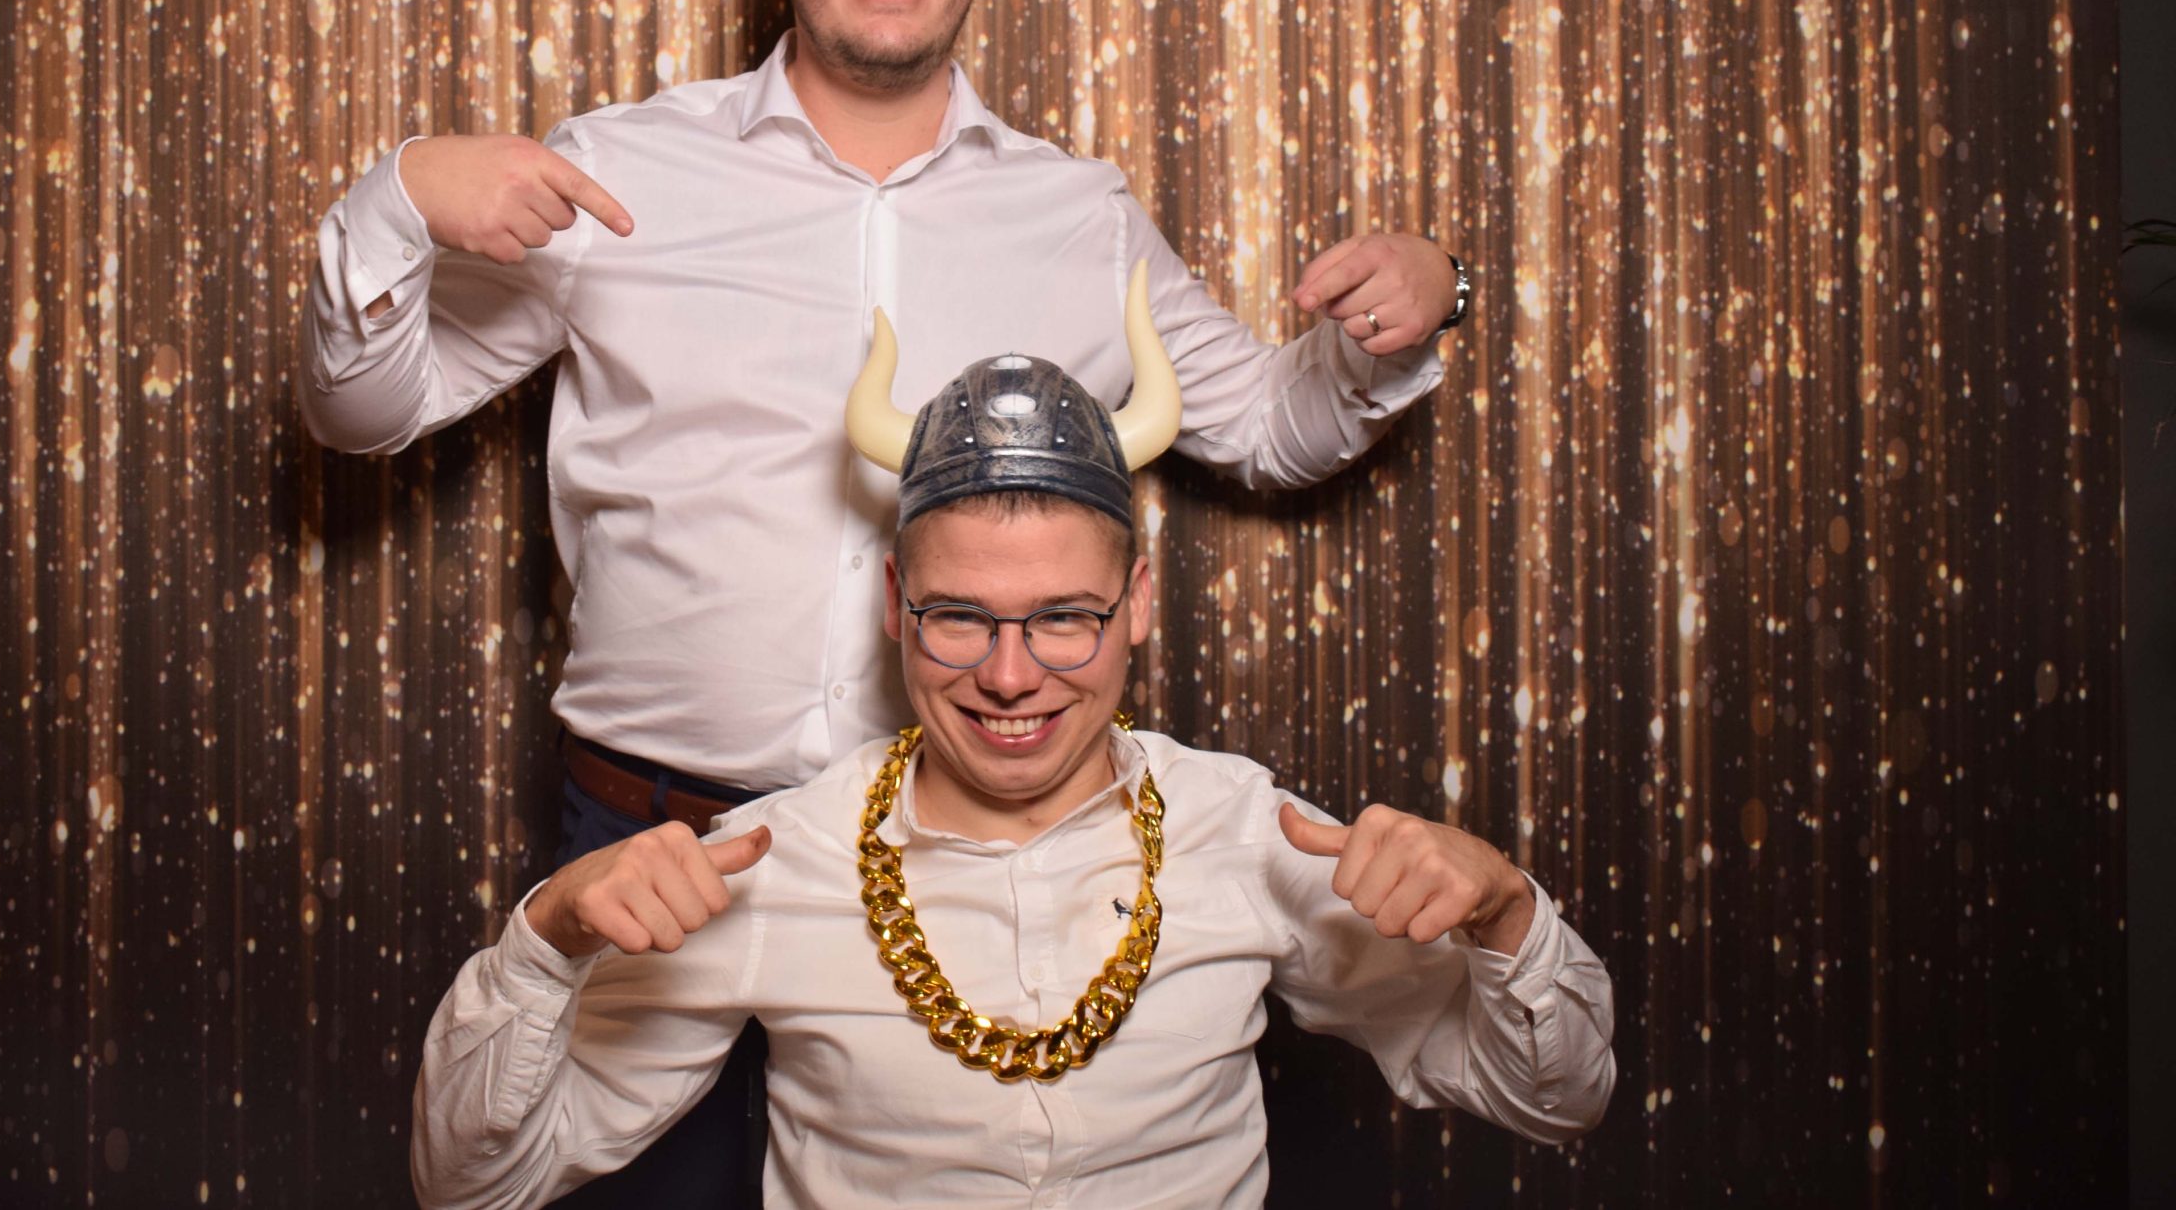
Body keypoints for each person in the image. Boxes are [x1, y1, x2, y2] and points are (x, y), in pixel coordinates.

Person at [303, 0, 1472, 1202]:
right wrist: (397, 198)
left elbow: (1269, 428)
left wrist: (1420, 304)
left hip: (955, 857)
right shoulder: (621, 172)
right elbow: (364, 413)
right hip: (658, 844)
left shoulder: (1075, 212)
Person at [409, 298, 1612, 1208]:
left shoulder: (1248, 831)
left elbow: (1557, 1101)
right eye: (959, 616)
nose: (1008, 674)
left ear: (1137, 604)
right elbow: (469, 1183)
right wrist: (545, 944)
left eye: (1064, 617)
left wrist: (1506, 915)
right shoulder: (773, 859)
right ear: (895, 604)